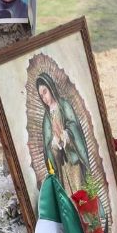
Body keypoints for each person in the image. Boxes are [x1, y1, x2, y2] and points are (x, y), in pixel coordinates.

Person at [35, 71, 92, 199]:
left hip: (73, 158)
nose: (44, 98)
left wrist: (67, 134)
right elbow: (47, 145)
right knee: (69, 195)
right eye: (41, 95)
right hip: (61, 165)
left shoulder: (64, 105)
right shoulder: (46, 118)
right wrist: (54, 144)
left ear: (51, 88)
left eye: (45, 92)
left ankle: (86, 218)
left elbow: (74, 126)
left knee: (79, 191)